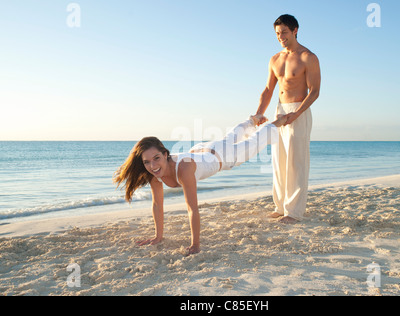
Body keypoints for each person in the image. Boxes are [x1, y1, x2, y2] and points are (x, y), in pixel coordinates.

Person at [114, 114, 287, 255]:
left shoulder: (184, 170)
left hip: (223, 157)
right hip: (202, 149)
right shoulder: (154, 173)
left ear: (165, 154)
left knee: (254, 142)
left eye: (156, 158)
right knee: (229, 138)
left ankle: (277, 122)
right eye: (146, 162)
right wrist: (158, 237)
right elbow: (157, 204)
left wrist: (195, 244)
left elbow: (192, 209)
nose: (152, 166)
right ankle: (251, 121)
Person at [254, 14, 321, 224]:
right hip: (279, 112)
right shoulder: (275, 59)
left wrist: (297, 113)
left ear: (295, 30)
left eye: (283, 32)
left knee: (296, 162)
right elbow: (268, 89)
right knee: (278, 161)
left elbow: (315, 91)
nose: (280, 36)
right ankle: (281, 206)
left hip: (298, 111)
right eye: (277, 33)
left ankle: (294, 212)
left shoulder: (308, 57)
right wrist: (259, 112)